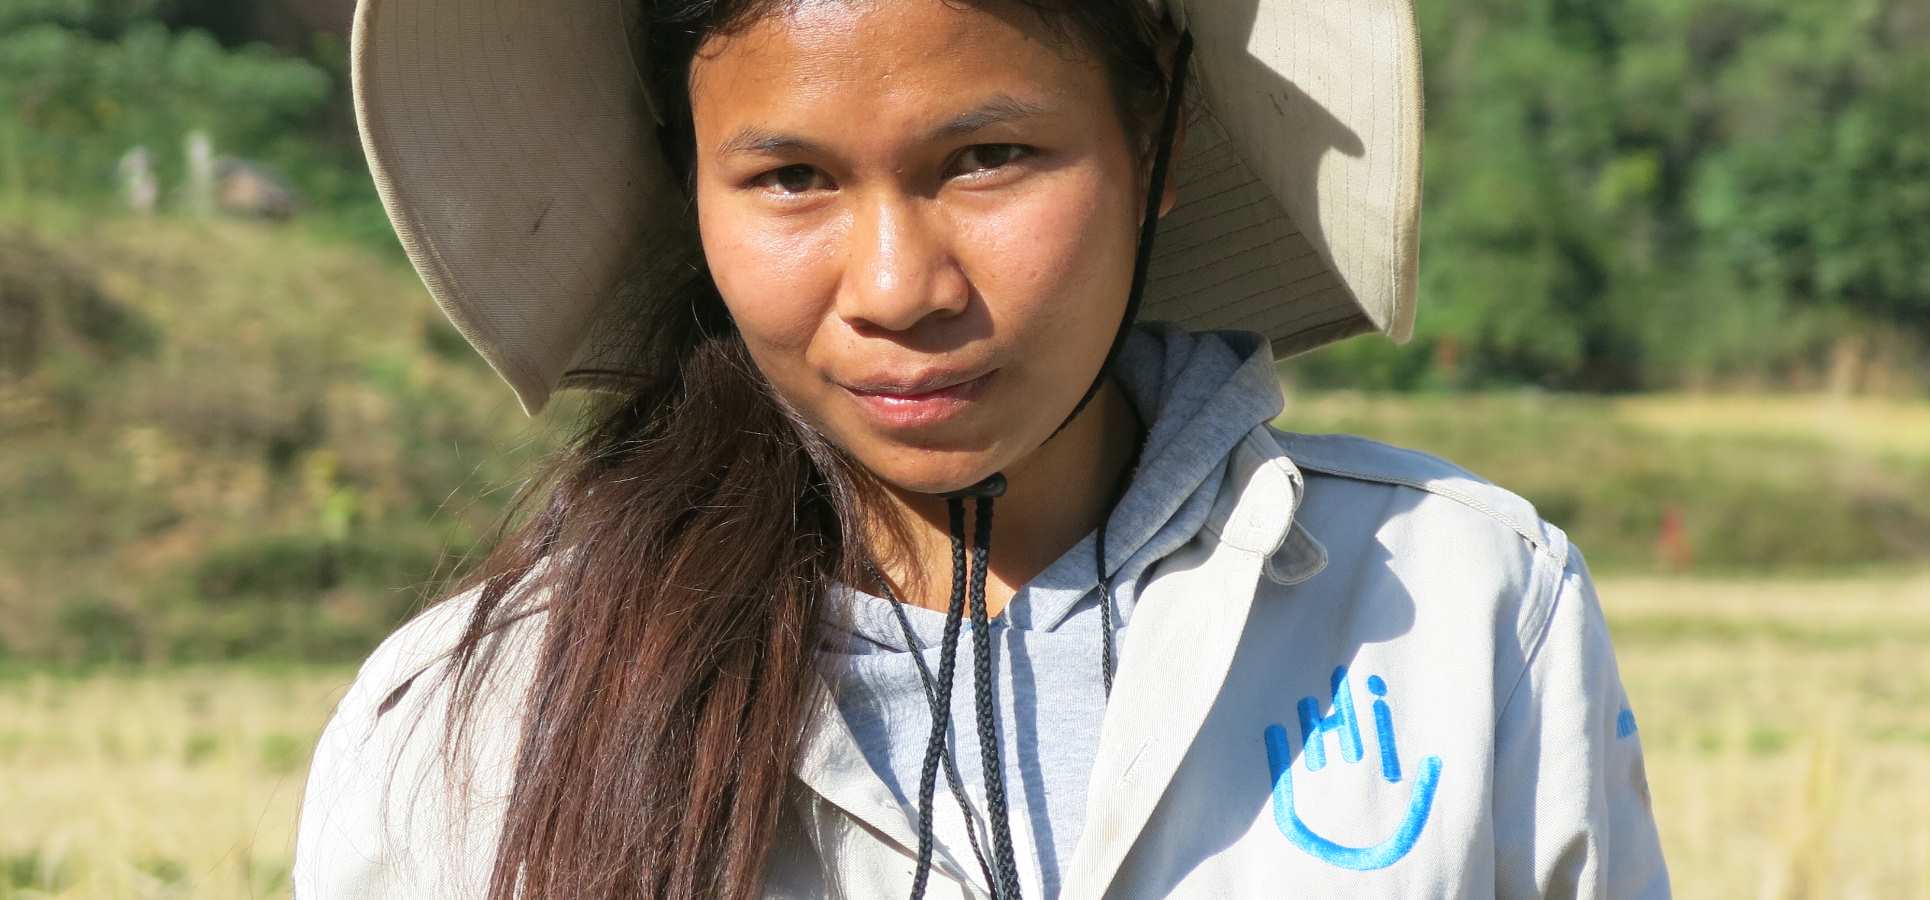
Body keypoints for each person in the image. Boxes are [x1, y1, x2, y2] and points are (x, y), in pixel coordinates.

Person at [294, 0, 1670, 897]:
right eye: (790, 180)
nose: (898, 287)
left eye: (988, 157)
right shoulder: (475, 721)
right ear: (687, 183)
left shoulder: (1458, 608)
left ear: (1159, 138)